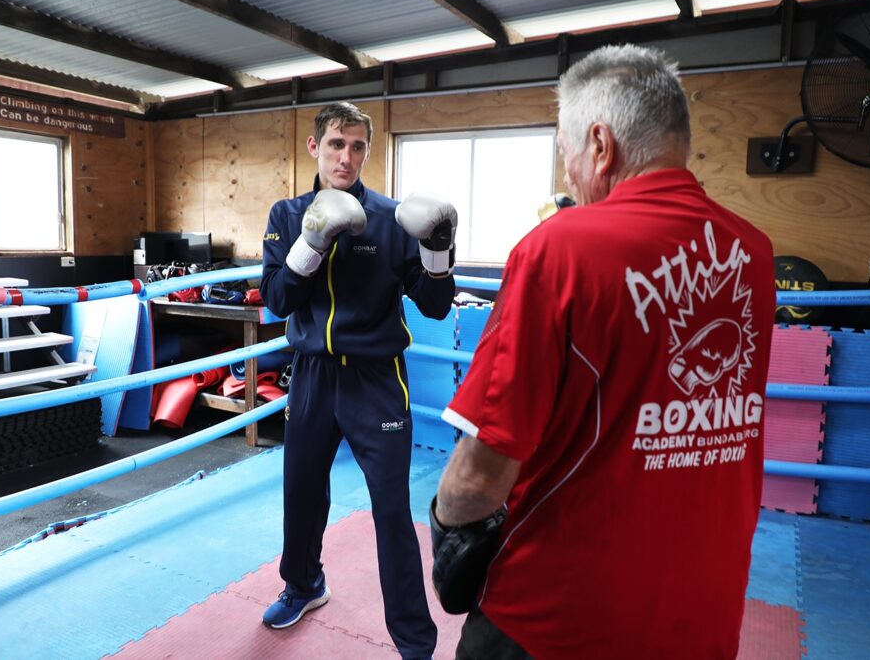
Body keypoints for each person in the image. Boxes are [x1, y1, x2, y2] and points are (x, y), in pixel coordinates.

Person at [430, 44, 776, 659]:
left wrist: (447, 526)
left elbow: (482, 472)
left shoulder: (559, 251)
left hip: (555, 620)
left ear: (600, 144)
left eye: (566, 155)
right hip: (704, 615)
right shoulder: (752, 253)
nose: (569, 177)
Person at [260, 101, 456, 660]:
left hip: (377, 380)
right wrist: (312, 241)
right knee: (301, 493)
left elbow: (438, 306)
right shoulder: (287, 214)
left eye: (357, 146)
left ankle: (415, 643)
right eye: (335, 144)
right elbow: (277, 300)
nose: (346, 156)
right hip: (313, 377)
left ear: (368, 151)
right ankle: (304, 585)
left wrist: (438, 246)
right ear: (314, 147)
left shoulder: (395, 221)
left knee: (391, 509)